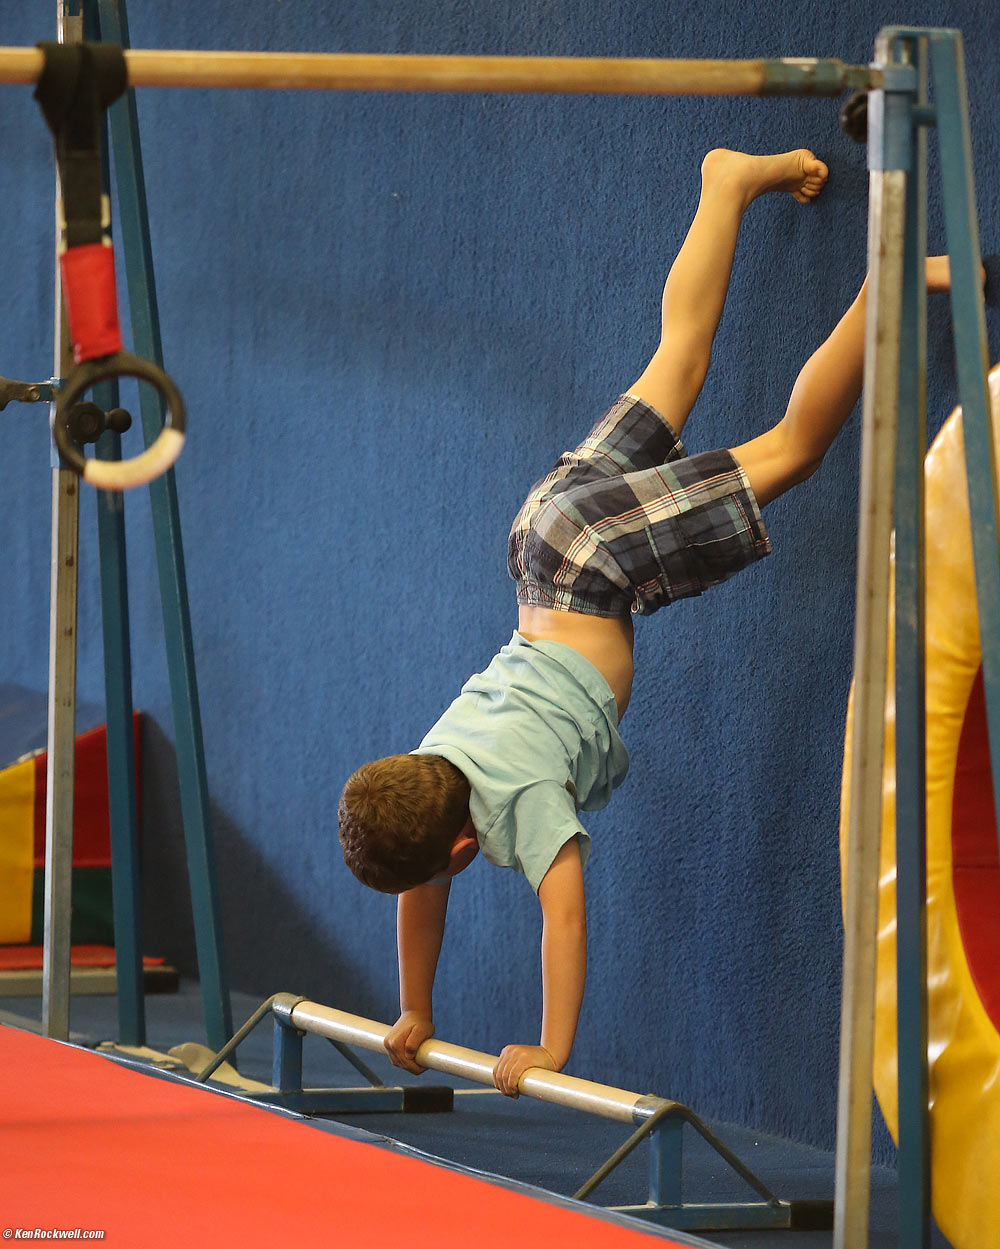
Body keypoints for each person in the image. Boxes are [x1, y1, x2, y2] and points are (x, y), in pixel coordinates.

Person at [338, 147, 953, 1098]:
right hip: (543, 540)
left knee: (793, 450)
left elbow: (565, 913)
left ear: (463, 849)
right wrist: (414, 1007)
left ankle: (884, 288)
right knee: (679, 359)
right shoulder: (432, 769)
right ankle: (727, 183)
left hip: (596, 571)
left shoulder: (517, 803)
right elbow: (421, 896)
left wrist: (551, 1046)